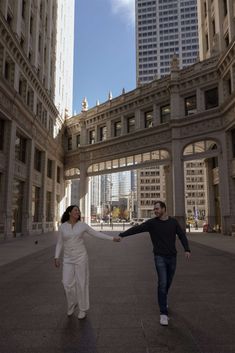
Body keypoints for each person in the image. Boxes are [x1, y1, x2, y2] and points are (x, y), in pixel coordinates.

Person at [118, 201, 191, 326]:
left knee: (168, 282)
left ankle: (163, 298)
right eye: (154, 209)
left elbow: (182, 235)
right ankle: (163, 313)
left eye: (157, 209)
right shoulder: (152, 223)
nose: (155, 211)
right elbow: (137, 229)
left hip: (172, 257)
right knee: (162, 282)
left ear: (164, 209)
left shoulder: (173, 222)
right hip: (159, 257)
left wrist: (187, 249)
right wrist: (122, 235)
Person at [54, 205, 120, 319]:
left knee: (82, 282)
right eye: (75, 210)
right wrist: (56, 257)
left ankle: (82, 309)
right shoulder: (63, 227)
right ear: (69, 212)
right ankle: (72, 303)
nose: (78, 212)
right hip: (68, 258)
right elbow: (60, 242)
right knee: (66, 283)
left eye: (79, 211)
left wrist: (112, 239)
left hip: (81, 257)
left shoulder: (82, 225)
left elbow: (96, 234)